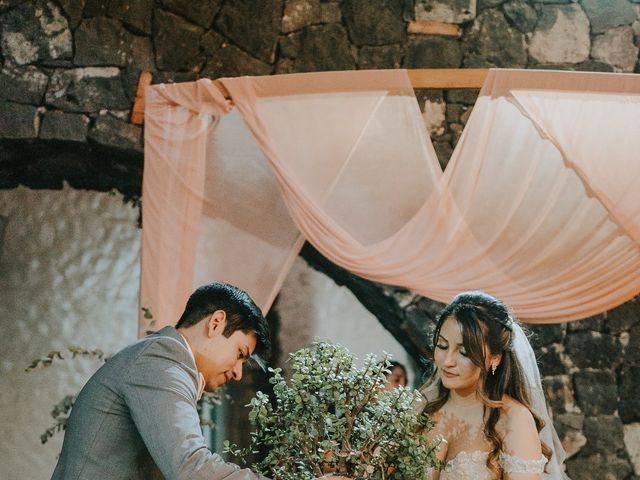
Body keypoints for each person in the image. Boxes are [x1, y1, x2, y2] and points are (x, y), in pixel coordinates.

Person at [51, 281, 347, 480]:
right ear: (216, 323)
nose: (238, 372)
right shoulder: (161, 365)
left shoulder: (161, 362)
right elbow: (190, 467)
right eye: (240, 354)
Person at [419, 291, 567, 480]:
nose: (448, 361)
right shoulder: (421, 407)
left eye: (464, 352)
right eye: (442, 345)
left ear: (495, 358)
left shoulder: (513, 420)